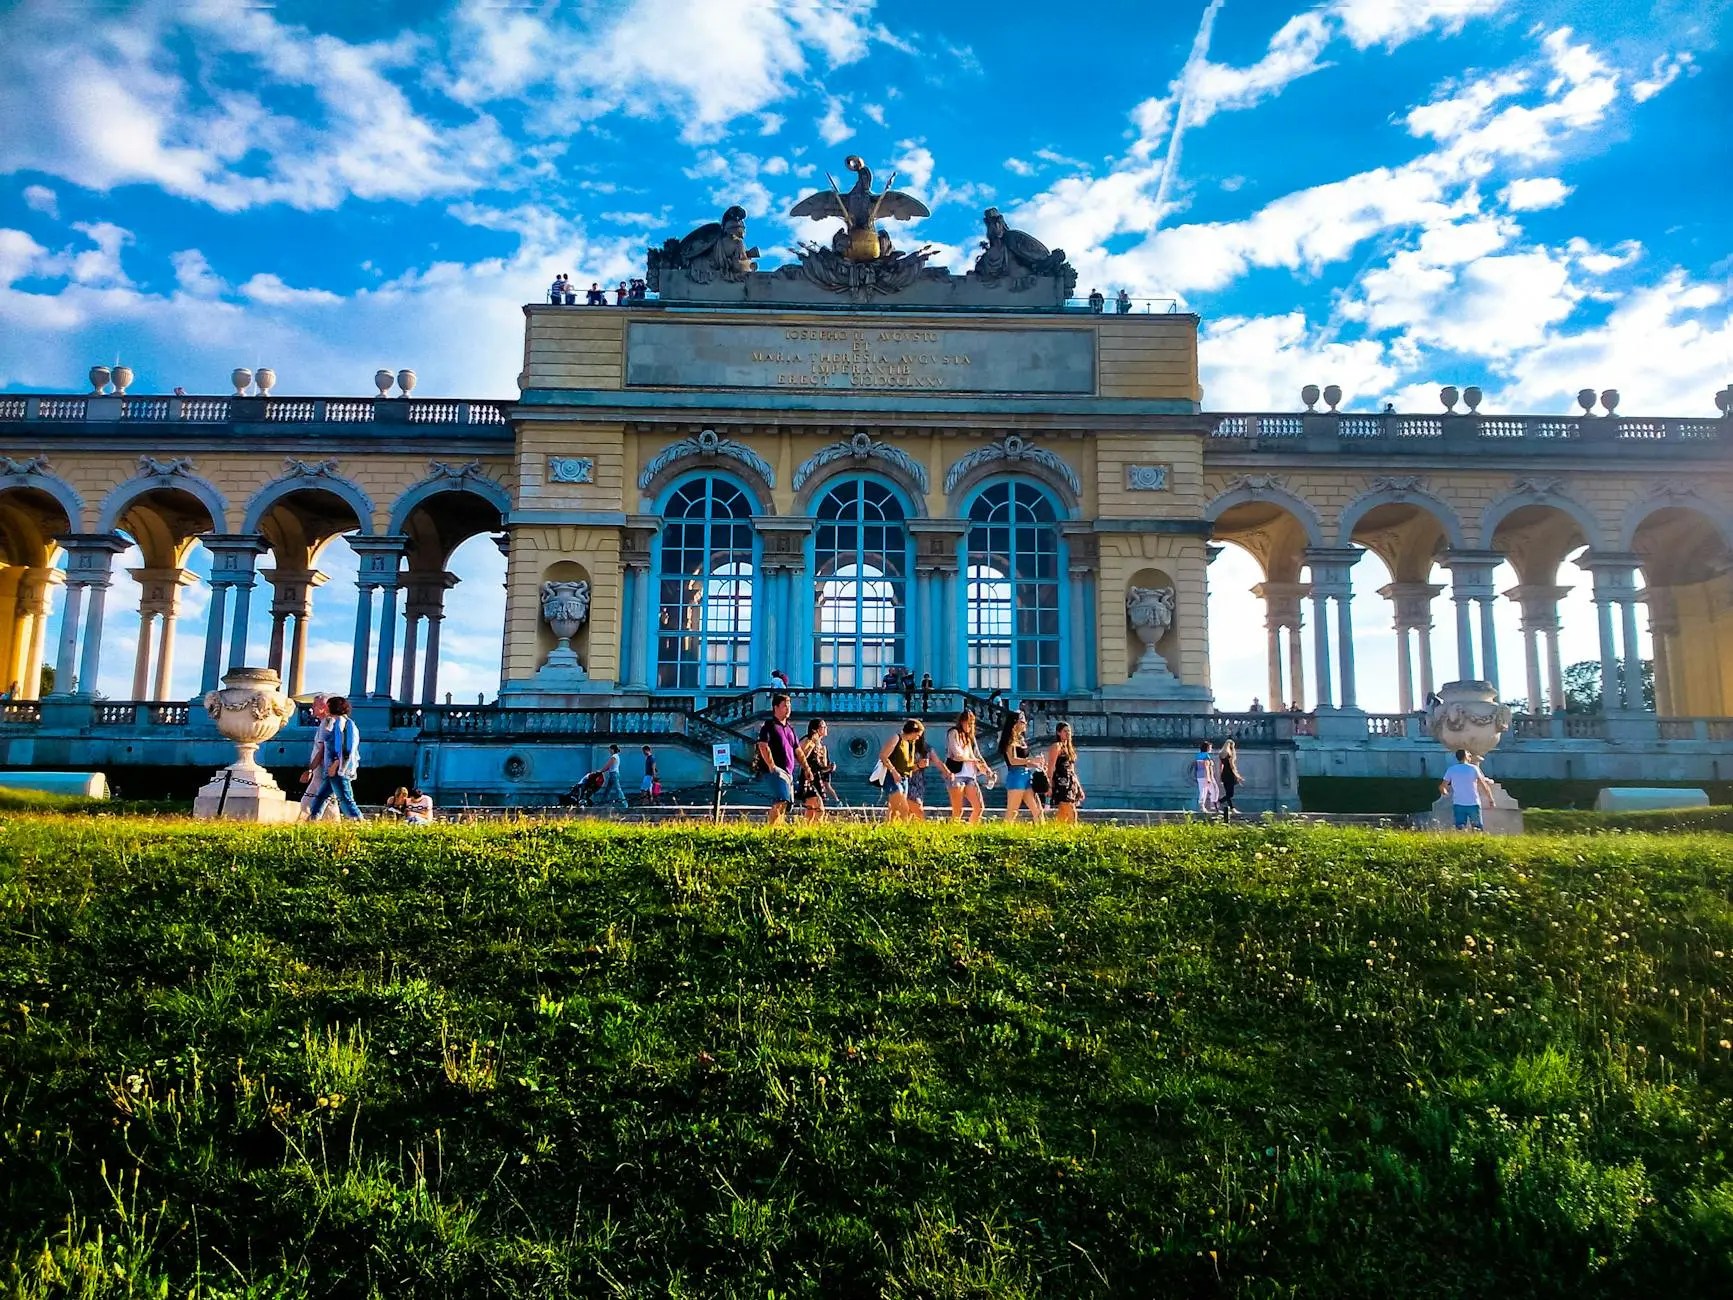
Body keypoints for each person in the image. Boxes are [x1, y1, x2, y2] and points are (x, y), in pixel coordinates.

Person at [304, 695, 363, 820]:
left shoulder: (344, 723)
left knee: (346, 799)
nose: (326, 708)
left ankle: (358, 820)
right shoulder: (335, 722)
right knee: (321, 797)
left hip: (339, 770)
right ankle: (313, 818)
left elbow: (346, 747)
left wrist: (336, 765)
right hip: (333, 769)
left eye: (328, 705)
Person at [756, 693, 802, 826]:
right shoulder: (769, 726)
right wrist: (772, 766)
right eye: (784, 706)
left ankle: (777, 827)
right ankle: (771, 828)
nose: (788, 709)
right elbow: (763, 745)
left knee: (786, 803)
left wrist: (806, 767)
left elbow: (797, 749)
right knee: (781, 800)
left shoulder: (789, 728)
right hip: (777, 770)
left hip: (788, 772)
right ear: (775, 707)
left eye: (789, 706)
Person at [297, 693, 340, 822]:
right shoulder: (325, 723)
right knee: (306, 802)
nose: (312, 708)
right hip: (320, 770)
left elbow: (323, 749)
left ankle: (333, 826)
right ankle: (306, 824)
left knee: (328, 801)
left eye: (314, 705)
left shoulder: (326, 723)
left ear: (323, 707)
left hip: (323, 769)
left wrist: (311, 769)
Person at [945, 709, 992, 824]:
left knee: (979, 807)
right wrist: (972, 759)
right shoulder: (953, 733)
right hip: (956, 774)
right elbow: (957, 754)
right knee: (957, 810)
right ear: (961, 722)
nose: (969, 726)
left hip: (970, 775)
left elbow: (978, 756)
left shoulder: (970, 737)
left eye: (972, 723)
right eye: (967, 723)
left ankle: (971, 830)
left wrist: (988, 771)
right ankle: (953, 833)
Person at [998, 712, 1044, 823]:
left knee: (1038, 810)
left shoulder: (1021, 739)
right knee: (1012, 811)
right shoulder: (1010, 740)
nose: (1025, 724)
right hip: (1016, 776)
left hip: (1026, 775)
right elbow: (1012, 761)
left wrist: (1037, 764)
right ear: (1015, 723)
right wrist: (1032, 761)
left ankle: (1042, 833)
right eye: (1022, 721)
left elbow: (1024, 760)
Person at [878, 718, 924, 822]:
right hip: (892, 777)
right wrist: (894, 772)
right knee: (904, 809)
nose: (918, 738)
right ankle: (906, 833)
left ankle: (887, 830)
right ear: (913, 731)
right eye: (917, 735)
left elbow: (908, 767)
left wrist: (920, 766)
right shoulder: (896, 738)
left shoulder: (909, 744)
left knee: (894, 811)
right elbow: (883, 756)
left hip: (904, 779)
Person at [1440, 748, 1495, 830]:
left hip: (1458, 803)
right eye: (1469, 755)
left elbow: (1442, 786)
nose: (1470, 757)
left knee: (1460, 829)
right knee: (1477, 829)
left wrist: (1445, 792)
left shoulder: (1451, 769)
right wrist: (1491, 799)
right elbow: (1484, 785)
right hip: (1473, 803)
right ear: (1465, 757)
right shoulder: (1474, 768)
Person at [1046, 721, 1083, 824]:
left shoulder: (1069, 748)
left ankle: (1057, 833)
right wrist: (1049, 785)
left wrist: (1078, 787)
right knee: (1071, 812)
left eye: (1069, 731)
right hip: (1060, 783)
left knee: (1062, 814)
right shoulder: (1056, 746)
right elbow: (1051, 766)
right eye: (1065, 731)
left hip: (1070, 782)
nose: (1068, 733)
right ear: (1058, 733)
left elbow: (1072, 770)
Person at [795, 718, 830, 822]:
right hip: (808, 777)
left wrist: (829, 767)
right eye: (823, 727)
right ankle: (817, 829)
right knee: (820, 809)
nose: (825, 729)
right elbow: (801, 756)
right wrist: (812, 744)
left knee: (811, 810)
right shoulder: (808, 740)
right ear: (816, 729)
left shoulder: (822, 746)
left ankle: (807, 830)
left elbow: (822, 766)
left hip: (817, 777)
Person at [597, 743, 629, 809]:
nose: (609, 751)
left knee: (618, 788)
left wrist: (601, 771)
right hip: (613, 774)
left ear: (613, 749)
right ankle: (603, 801)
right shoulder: (616, 756)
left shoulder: (614, 756)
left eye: (610, 749)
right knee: (608, 789)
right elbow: (609, 767)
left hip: (614, 774)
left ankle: (624, 803)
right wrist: (602, 771)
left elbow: (608, 765)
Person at [1218, 739, 1243, 821]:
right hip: (1230, 775)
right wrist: (1237, 775)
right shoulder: (1230, 754)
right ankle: (1219, 802)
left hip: (1224, 774)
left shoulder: (1221, 754)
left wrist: (1221, 775)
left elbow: (1220, 766)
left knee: (1228, 793)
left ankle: (1232, 808)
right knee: (1230, 794)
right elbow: (1232, 766)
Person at [1192, 741, 1218, 815]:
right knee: (1214, 790)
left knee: (1202, 791)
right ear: (1207, 748)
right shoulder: (1206, 756)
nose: (1211, 749)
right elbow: (1206, 767)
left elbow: (1196, 767)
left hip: (1199, 776)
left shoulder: (1198, 755)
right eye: (1210, 747)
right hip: (1206, 776)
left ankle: (1202, 806)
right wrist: (1209, 778)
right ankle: (1213, 806)